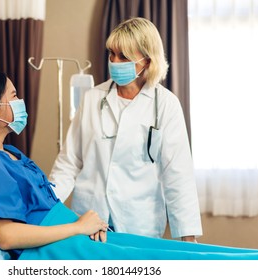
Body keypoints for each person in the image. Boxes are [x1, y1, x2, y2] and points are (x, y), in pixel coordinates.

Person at [0, 69, 258, 260]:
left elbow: (177, 175)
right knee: (190, 264)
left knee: (191, 254)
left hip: (81, 231)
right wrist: (79, 226)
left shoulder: (10, 154)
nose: (20, 101)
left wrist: (87, 224)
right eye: (14, 96)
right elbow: (6, 235)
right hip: (57, 247)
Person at [49, 17, 201, 242]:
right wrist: (46, 208)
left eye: (124, 57)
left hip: (140, 223)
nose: (114, 61)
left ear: (147, 61)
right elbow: (68, 164)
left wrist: (188, 238)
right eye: (112, 53)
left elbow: (177, 175)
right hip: (89, 218)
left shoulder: (166, 105)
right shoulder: (92, 99)